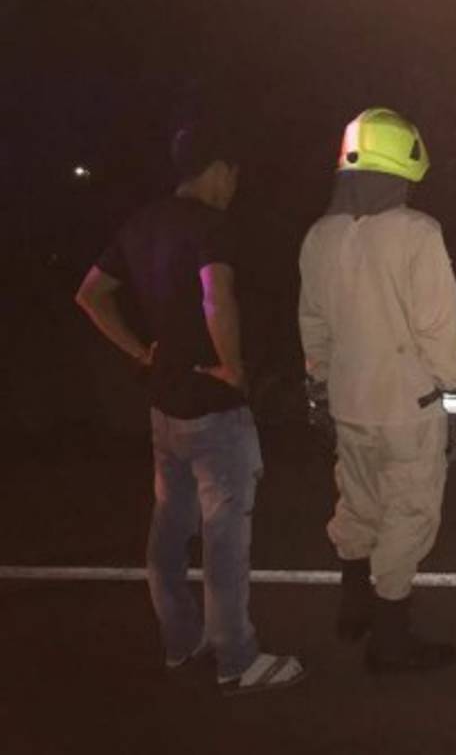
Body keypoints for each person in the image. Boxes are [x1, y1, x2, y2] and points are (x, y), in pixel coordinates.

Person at [74, 123, 305, 695]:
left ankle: (180, 641)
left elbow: (90, 294)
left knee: (170, 526)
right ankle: (237, 659)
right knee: (224, 533)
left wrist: (140, 353)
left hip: (165, 405)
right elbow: (214, 295)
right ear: (216, 169)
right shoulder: (210, 226)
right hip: (212, 405)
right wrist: (232, 366)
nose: (234, 187)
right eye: (233, 175)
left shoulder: (141, 223)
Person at [298, 108, 456, 673]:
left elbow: (313, 324)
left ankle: (353, 607)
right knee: (410, 513)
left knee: (358, 500)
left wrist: (319, 388)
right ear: (404, 166)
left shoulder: (320, 235)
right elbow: (440, 330)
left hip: (348, 404)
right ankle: (391, 639)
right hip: (408, 408)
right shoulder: (418, 233)